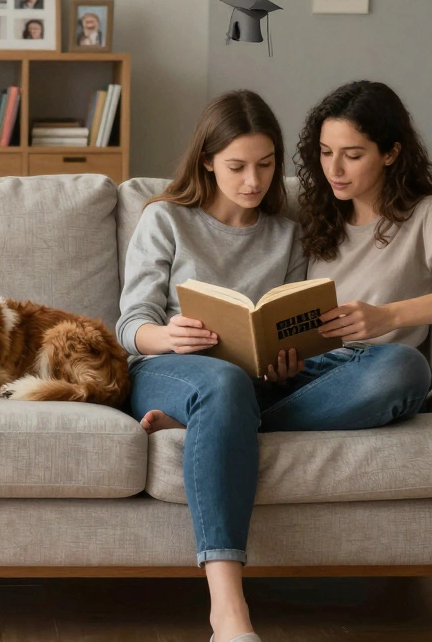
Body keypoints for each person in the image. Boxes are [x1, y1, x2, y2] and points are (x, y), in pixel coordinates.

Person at [118, 90, 305, 642]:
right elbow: (130, 326)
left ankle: (215, 428)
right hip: (167, 370)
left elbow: (291, 316)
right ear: (207, 160)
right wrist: (167, 334)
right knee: (222, 381)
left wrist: (288, 355)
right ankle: (228, 611)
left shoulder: (286, 231)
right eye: (238, 166)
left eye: (267, 165)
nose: (254, 181)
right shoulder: (166, 219)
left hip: (259, 382)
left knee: (399, 375)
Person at [298, 80, 432, 361]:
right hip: (310, 372)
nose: (333, 169)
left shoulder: (428, 215)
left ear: (390, 153)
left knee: (404, 364)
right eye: (326, 152)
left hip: (378, 369)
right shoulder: (318, 214)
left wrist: (389, 316)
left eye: (352, 155)